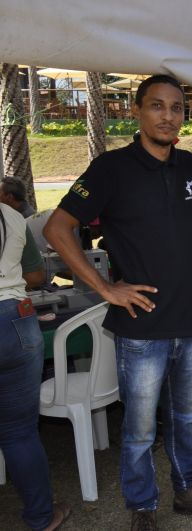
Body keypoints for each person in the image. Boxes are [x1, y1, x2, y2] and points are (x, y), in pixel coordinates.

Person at [43, 74, 192, 529]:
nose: (168, 116)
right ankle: (143, 507)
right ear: (136, 111)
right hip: (142, 325)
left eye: (177, 108)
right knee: (139, 429)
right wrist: (106, 288)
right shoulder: (111, 168)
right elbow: (57, 228)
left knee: (185, 417)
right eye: (157, 106)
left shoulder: (190, 165)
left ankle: (188, 491)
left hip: (188, 319)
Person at [1, 202, 69, 531]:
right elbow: (35, 275)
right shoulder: (10, 215)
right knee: (18, 432)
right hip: (14, 319)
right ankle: (41, 516)